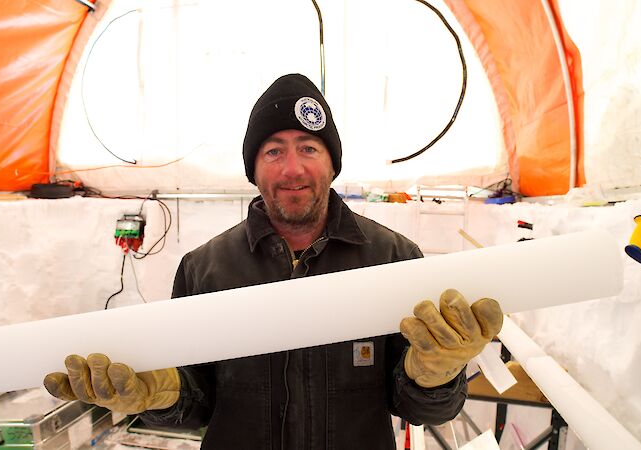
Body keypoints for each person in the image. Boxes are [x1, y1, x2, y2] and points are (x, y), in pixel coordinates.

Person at [44, 74, 503, 449]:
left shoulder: (395, 259)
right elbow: (195, 403)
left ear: (331, 163)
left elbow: (423, 411)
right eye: (274, 151)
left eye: (308, 147)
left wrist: (436, 377)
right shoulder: (205, 269)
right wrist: (161, 394)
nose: (292, 169)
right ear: (254, 168)